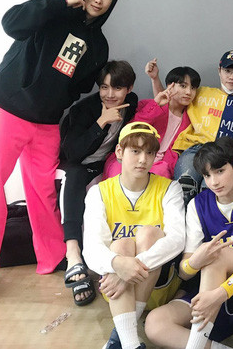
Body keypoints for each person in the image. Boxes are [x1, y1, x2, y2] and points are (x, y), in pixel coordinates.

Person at [0, 0, 120, 303]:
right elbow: (11, 23)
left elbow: (82, 85)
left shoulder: (99, 44)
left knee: (43, 191)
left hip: (47, 122)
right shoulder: (53, 10)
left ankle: (53, 257)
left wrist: (57, 97)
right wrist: (62, 2)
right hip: (8, 109)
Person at [145, 137, 233, 349]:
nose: (214, 181)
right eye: (207, 175)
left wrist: (221, 292)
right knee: (155, 324)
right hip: (210, 288)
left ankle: (196, 342)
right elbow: (185, 272)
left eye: (220, 171)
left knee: (217, 254)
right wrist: (195, 262)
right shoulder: (197, 205)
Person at [82, 122, 185, 349]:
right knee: (121, 246)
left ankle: (121, 337)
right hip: (116, 290)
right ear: (119, 152)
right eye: (135, 151)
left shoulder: (170, 188)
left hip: (158, 287)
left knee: (149, 234)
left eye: (149, 153)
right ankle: (130, 343)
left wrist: (128, 269)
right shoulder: (99, 192)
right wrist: (118, 264)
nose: (143, 159)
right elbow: (91, 247)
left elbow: (177, 239)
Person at [59, 60, 137, 306]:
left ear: (129, 89)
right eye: (104, 87)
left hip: (105, 163)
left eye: (117, 88)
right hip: (78, 163)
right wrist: (100, 122)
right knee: (74, 179)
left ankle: (113, 256)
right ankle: (73, 255)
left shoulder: (131, 103)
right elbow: (72, 153)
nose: (110, 94)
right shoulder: (84, 110)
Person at [149, 50, 233, 203]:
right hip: (195, 149)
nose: (231, 77)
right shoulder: (200, 93)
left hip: (223, 155)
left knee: (210, 195)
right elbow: (166, 100)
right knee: (185, 187)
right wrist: (155, 79)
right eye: (227, 71)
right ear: (219, 71)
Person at [103, 62, 201, 179]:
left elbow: (176, 152)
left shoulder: (191, 120)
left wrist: (167, 167)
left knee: (159, 176)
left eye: (193, 88)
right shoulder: (149, 105)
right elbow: (131, 129)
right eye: (183, 86)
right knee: (119, 175)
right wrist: (155, 105)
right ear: (170, 86)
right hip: (132, 156)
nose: (188, 92)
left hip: (161, 165)